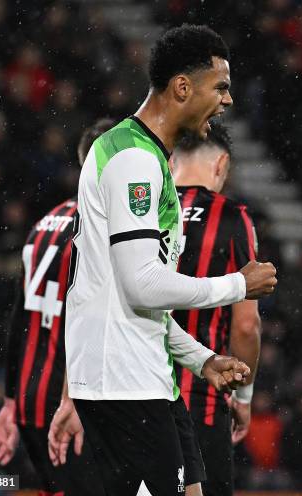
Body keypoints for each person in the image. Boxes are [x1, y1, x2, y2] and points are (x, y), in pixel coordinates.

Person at [61, 24, 277, 496]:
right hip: (122, 383)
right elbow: (142, 284)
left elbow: (136, 301)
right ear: (183, 87)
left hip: (150, 376)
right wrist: (236, 286)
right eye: (220, 87)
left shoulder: (147, 156)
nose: (228, 101)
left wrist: (201, 361)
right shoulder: (133, 159)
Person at [0, 118, 116, 496]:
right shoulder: (99, 229)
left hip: (30, 399)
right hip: (70, 402)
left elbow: (19, 319)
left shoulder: (43, 223)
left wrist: (11, 401)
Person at [171, 123, 261, 496]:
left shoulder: (138, 211)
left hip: (133, 394)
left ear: (172, 160)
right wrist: (243, 395)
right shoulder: (230, 215)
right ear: (221, 163)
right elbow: (246, 326)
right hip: (198, 396)